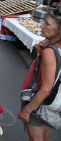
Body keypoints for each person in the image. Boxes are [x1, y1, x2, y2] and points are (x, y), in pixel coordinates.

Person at [18, 8, 61, 140]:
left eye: (47, 24)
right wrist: (40, 52)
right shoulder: (54, 48)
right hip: (50, 103)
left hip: (39, 101)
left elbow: (46, 88)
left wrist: (28, 109)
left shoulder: (50, 52)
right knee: (44, 131)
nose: (41, 25)